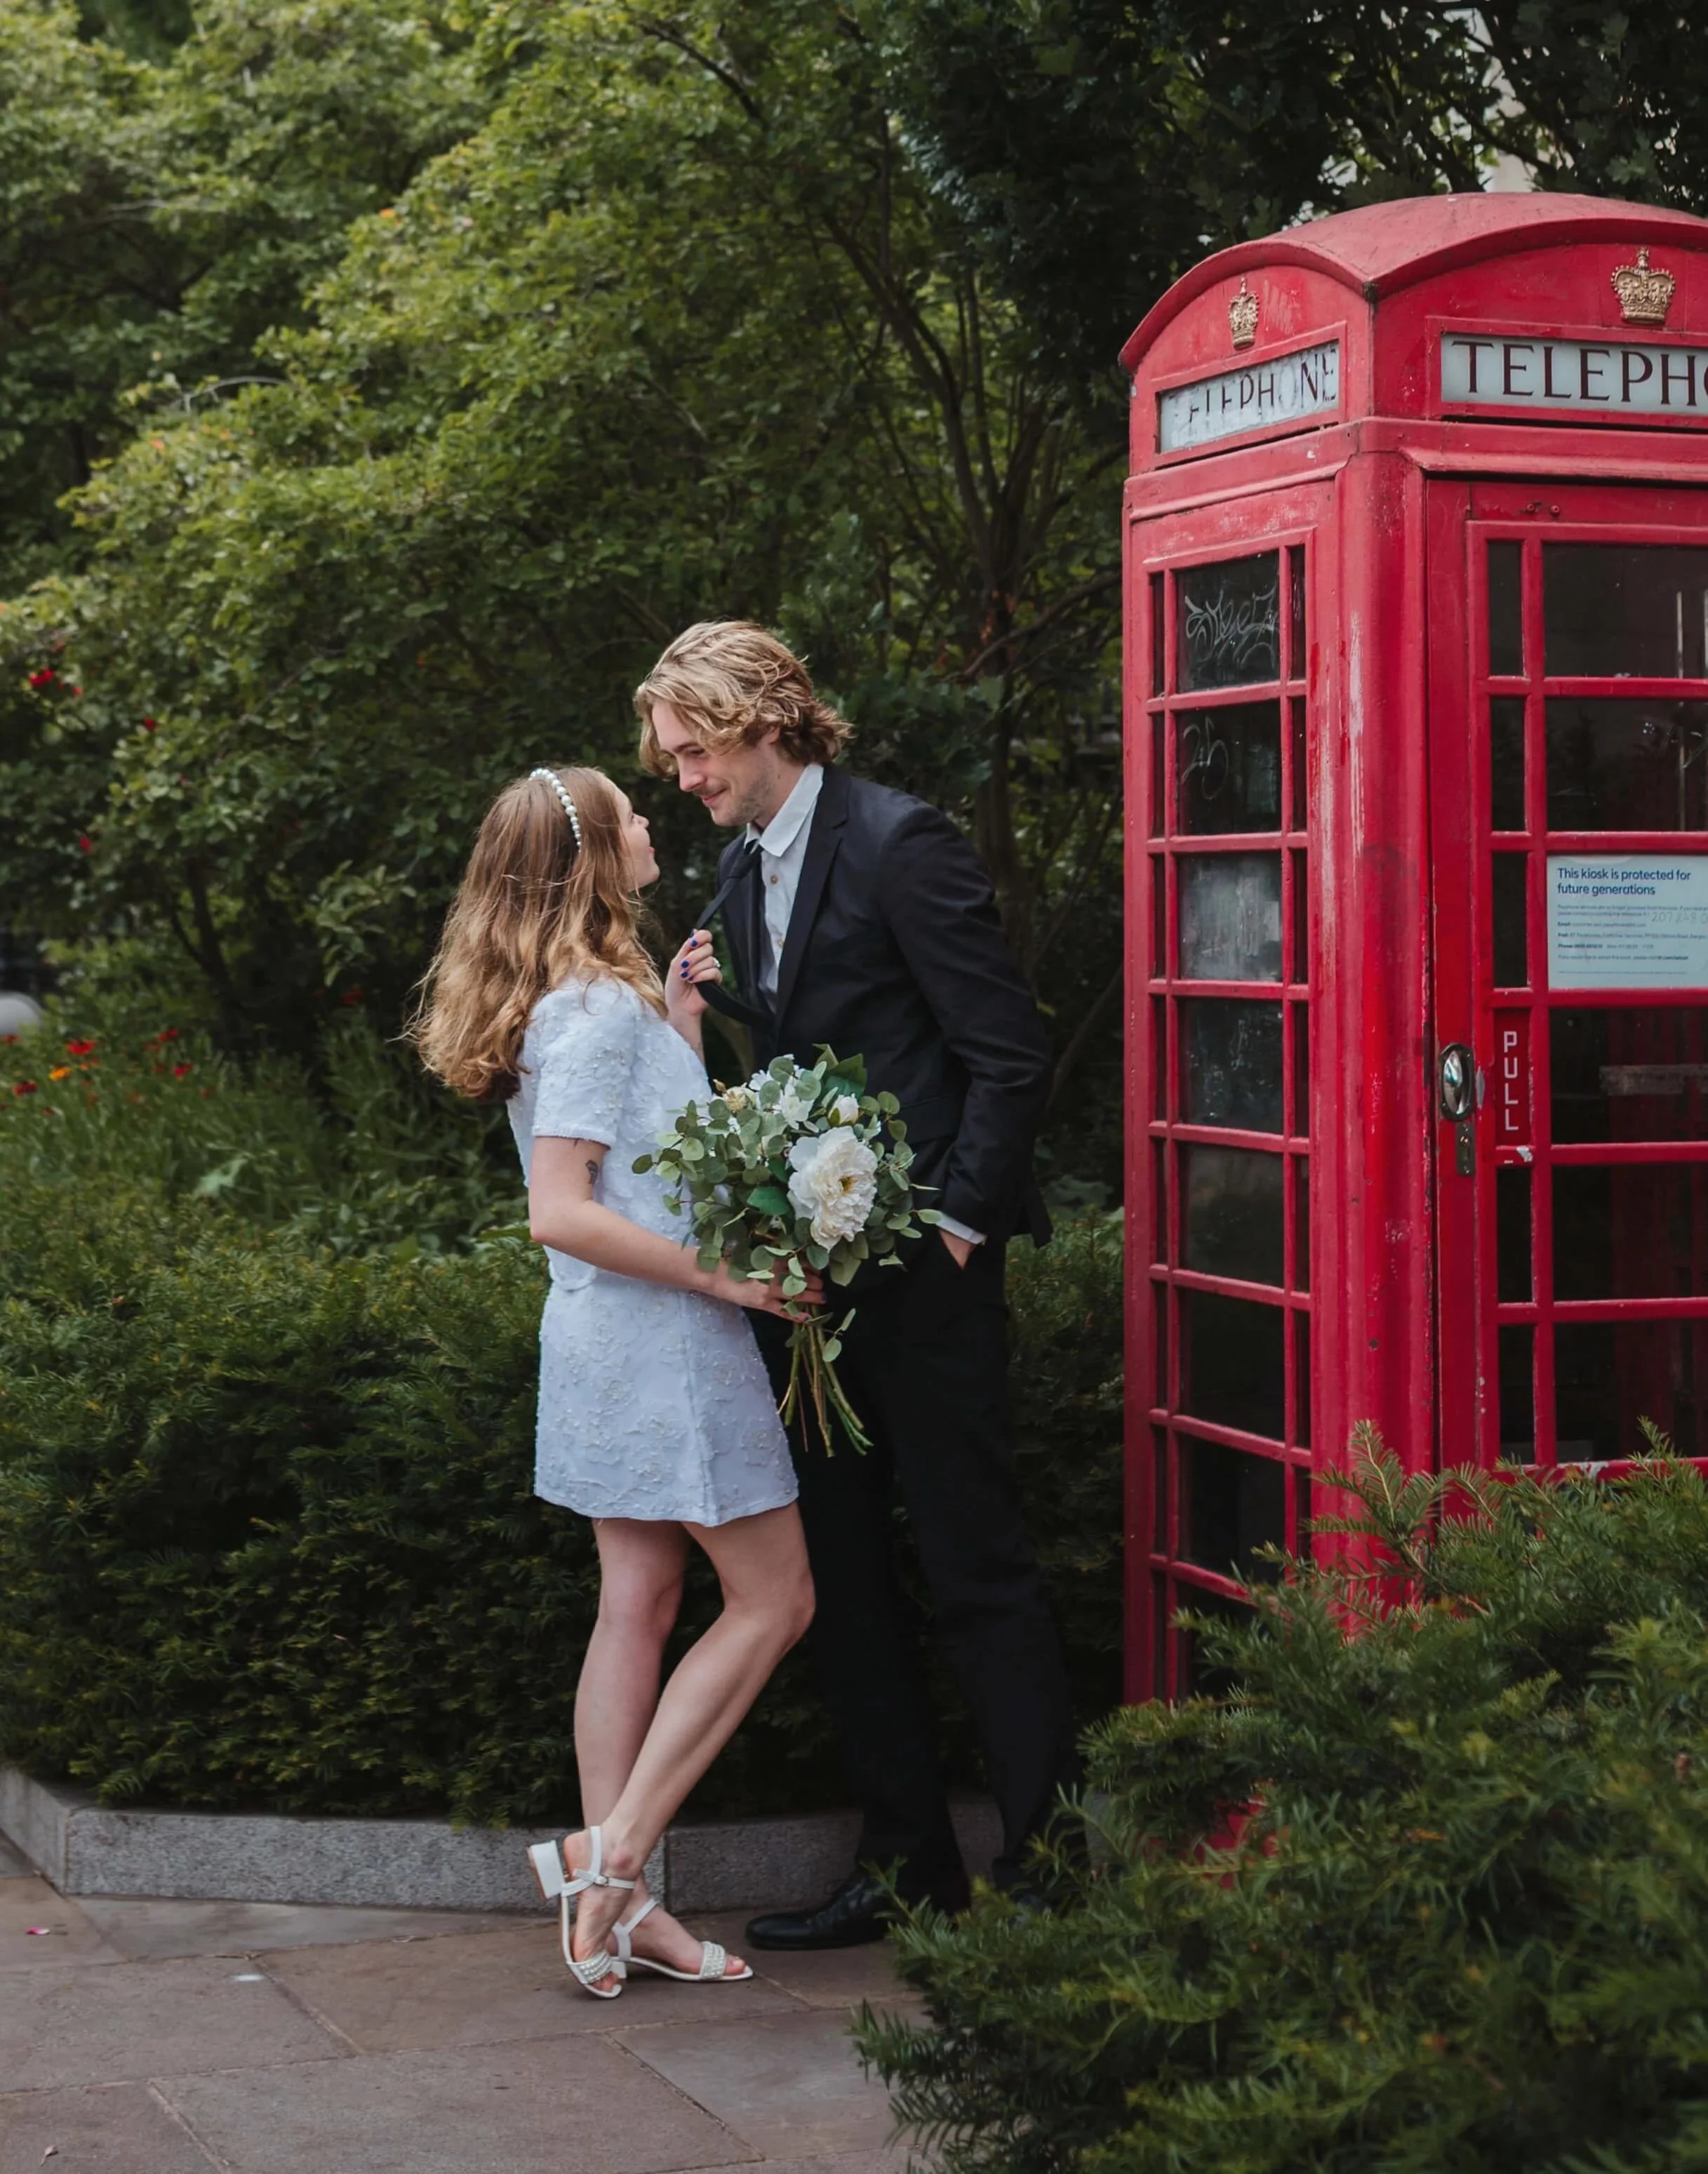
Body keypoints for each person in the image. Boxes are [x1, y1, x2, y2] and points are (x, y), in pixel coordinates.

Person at [635, 622, 1076, 1949]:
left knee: (974, 1565)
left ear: (764, 720)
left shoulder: (899, 843)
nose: (681, 777)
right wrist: (689, 1022)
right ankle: (906, 1867)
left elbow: (1007, 1055)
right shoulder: (736, 867)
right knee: (843, 1572)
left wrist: (951, 1231)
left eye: (693, 748)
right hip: (807, 1292)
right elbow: (792, 1062)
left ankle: (1054, 1863)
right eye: (668, 759)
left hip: (926, 1281)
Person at [412, 763, 818, 1998]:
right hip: (660, 1347)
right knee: (775, 1600)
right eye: (633, 814)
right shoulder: (588, 1013)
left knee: (637, 1599)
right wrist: (730, 1281)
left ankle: (624, 1908)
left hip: (610, 1342)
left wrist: (682, 1032)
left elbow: (639, 1156)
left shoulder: (599, 1003)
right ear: (594, 855)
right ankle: (612, 1855)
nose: (655, 821)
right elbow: (559, 1211)